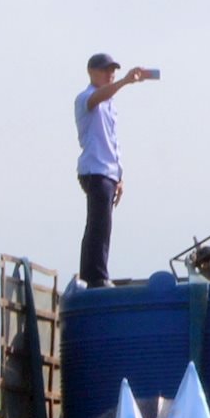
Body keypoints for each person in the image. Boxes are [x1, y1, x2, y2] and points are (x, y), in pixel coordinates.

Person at [74, 52, 153, 288]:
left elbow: (112, 142)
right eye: (105, 70)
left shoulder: (110, 105)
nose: (110, 74)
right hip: (94, 169)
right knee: (99, 224)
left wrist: (119, 176)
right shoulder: (86, 97)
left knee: (101, 224)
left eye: (113, 71)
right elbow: (97, 97)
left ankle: (94, 273)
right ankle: (95, 275)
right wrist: (125, 82)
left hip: (108, 171)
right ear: (92, 72)